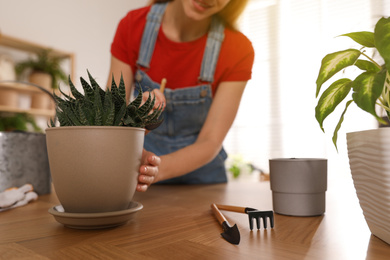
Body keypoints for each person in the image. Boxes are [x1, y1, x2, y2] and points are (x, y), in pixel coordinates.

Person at [107, 0, 254, 191]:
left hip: (203, 184)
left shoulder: (238, 49)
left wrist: (155, 169)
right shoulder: (132, 26)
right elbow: (110, 118)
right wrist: (135, 118)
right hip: (140, 181)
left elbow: (210, 141)